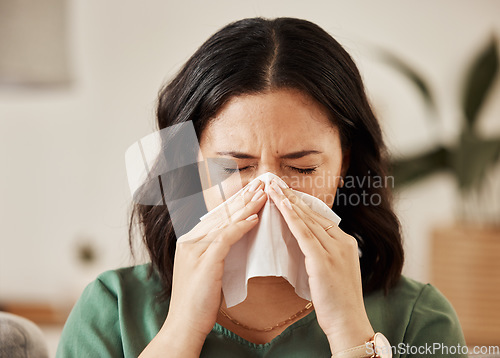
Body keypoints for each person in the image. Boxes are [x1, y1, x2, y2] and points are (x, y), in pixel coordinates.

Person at [56, 17, 467, 358]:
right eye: (234, 167)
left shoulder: (419, 318)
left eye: (302, 167)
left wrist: (351, 333)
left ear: (346, 165)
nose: (269, 192)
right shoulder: (112, 311)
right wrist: (181, 330)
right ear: (188, 169)